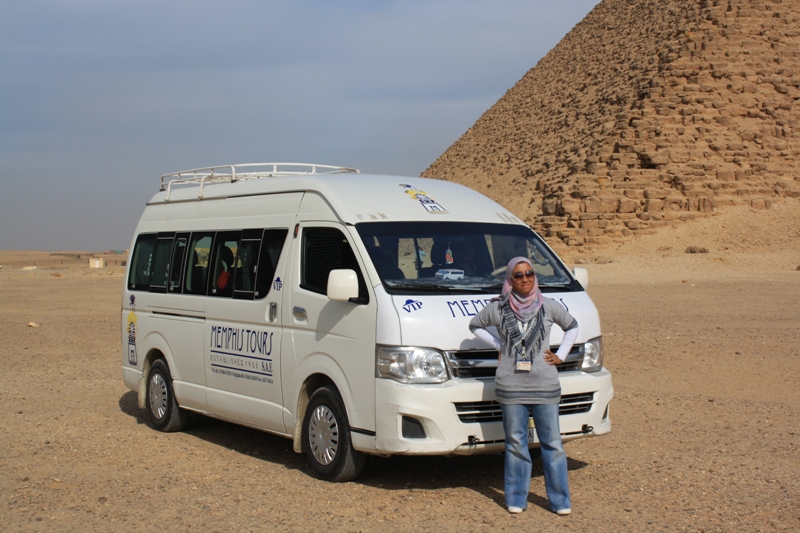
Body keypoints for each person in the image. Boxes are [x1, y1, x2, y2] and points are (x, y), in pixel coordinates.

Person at [469, 257, 579, 515]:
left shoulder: (549, 306)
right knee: (515, 443)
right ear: (510, 279)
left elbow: (572, 327)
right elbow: (475, 325)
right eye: (518, 275)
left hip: (545, 384)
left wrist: (561, 355)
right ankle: (516, 498)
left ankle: (560, 501)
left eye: (529, 273)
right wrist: (501, 346)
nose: (525, 279)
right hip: (511, 385)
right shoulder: (498, 308)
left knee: (552, 443)